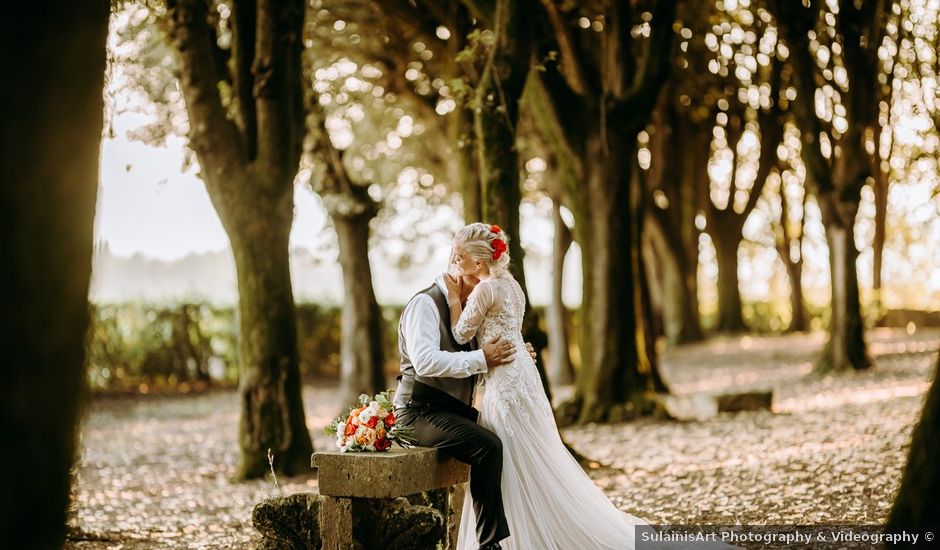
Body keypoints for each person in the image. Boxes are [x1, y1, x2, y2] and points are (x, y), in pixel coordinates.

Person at [446, 223, 731, 550]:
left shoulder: (484, 290)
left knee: (511, 455)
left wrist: (455, 298)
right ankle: (529, 528)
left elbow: (461, 335)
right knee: (529, 451)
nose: (454, 262)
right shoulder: (512, 286)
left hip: (505, 380)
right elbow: (510, 330)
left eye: (459, 257)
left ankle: (520, 536)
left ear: (479, 263)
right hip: (523, 373)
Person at [393, 264, 534, 549]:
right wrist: (484, 357)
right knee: (487, 445)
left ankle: (527, 532)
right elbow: (426, 362)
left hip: (451, 410)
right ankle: (490, 543)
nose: (486, 282)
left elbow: (476, 365)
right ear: (462, 268)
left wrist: (512, 356)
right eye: (480, 276)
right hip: (417, 411)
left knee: (512, 438)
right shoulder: (425, 304)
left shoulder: (470, 309)